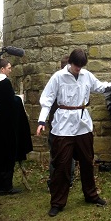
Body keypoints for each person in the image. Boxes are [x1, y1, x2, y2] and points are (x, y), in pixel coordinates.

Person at [36, 48, 111, 217]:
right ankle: (57, 202)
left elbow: (101, 87)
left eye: (81, 66)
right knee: (62, 165)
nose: (78, 69)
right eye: (76, 66)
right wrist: (41, 120)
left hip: (83, 124)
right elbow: (47, 100)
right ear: (70, 63)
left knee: (87, 161)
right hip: (63, 126)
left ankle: (91, 195)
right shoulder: (58, 77)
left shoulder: (86, 75)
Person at [0, 58, 33, 195]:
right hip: (5, 126)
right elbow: (10, 104)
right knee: (6, 153)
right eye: (9, 68)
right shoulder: (4, 82)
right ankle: (4, 186)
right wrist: (19, 99)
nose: (11, 71)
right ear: (2, 70)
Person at [46, 55, 75, 190]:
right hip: (59, 125)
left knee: (59, 154)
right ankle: (61, 180)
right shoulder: (57, 81)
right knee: (61, 154)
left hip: (63, 125)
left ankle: (62, 180)